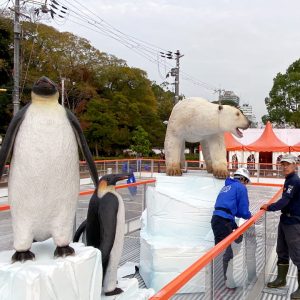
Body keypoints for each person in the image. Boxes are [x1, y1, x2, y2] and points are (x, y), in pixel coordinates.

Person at [260, 154, 300, 299]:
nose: (284, 167)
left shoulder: (294, 181)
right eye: (282, 164)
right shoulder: (289, 180)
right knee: (281, 251)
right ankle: (281, 279)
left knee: (297, 254)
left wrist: (269, 206)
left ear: (295, 165)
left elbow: (284, 201)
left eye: (287, 164)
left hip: (293, 223)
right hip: (285, 220)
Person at [211, 167, 252, 288]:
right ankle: (224, 282)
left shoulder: (227, 187)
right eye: (247, 182)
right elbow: (243, 211)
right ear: (243, 179)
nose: (246, 185)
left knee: (222, 250)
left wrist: (235, 226)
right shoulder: (240, 187)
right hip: (223, 221)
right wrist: (251, 217)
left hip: (219, 220)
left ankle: (220, 280)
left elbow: (229, 209)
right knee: (225, 253)